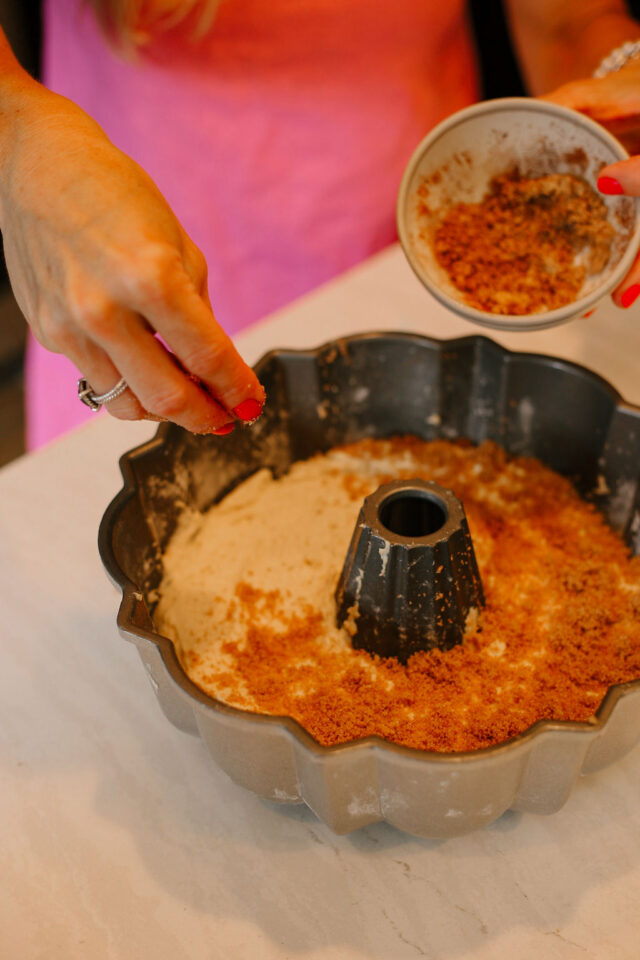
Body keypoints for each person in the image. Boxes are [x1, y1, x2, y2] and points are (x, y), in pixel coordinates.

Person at [1, 0, 640, 447]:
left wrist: (616, 78)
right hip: (124, 265)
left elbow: (562, 19)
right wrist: (18, 130)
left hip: (421, 241)